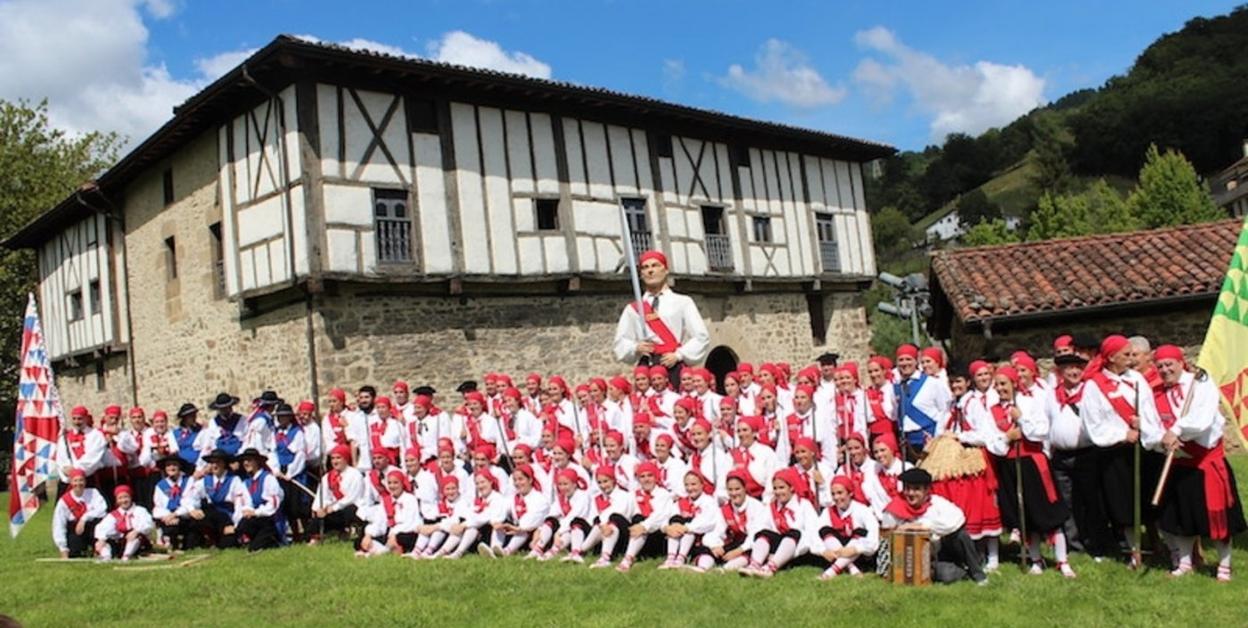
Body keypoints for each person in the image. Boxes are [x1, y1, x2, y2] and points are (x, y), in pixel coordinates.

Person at [1151, 345, 1246, 581]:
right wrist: (1162, 440)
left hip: (1206, 463)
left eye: (1169, 364)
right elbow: (1152, 425)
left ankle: (1224, 565)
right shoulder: (1156, 393)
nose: (1165, 370)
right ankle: (1185, 563)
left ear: (1181, 362)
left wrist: (1177, 431)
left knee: (1218, 519)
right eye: (1160, 366)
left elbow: (1201, 420)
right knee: (1182, 517)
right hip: (1179, 463)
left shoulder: (1201, 385)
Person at [1080, 334, 1164, 568]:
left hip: (1142, 447)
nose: (1131, 359)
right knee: (1124, 503)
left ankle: (1157, 543)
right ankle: (1134, 550)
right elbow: (1093, 424)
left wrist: (1143, 426)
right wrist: (1122, 434)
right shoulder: (1094, 386)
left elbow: (1149, 411)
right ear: (1111, 357)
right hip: (1114, 453)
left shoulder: (1136, 379)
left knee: (1148, 497)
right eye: (1126, 354)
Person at [983, 367, 1075, 577]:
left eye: (1004, 384)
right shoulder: (993, 411)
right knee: (1025, 514)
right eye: (997, 385)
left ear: (1014, 383)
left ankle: (1062, 560)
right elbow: (992, 442)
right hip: (1010, 465)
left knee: (1049, 512)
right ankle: (1035, 559)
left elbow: (1041, 431)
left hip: (1033, 463)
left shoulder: (1030, 403)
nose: (1000, 388)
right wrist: (1007, 437)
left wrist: (1022, 420)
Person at [613, 250, 710, 386]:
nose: (650, 271)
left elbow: (701, 336)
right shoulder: (633, 309)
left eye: (655, 265)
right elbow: (620, 342)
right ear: (641, 274)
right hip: (647, 365)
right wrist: (635, 347)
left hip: (672, 363)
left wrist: (679, 355)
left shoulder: (683, 302)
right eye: (645, 267)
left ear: (665, 270)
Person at [879, 468, 987, 585]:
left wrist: (921, 526)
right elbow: (886, 537)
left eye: (916, 489)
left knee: (961, 535)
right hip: (923, 559)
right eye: (907, 488)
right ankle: (965, 570)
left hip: (945, 547)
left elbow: (957, 519)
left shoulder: (937, 503)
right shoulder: (894, 508)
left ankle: (978, 574)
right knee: (946, 575)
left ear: (927, 490)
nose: (910, 493)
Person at [1047, 353, 1108, 557]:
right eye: (1069, 368)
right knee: (1067, 502)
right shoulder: (1052, 395)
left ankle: (1096, 543)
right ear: (1060, 372)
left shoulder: (1090, 392)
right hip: (1060, 456)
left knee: (1091, 500)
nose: (1074, 372)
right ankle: (1073, 544)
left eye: (1078, 368)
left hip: (1086, 453)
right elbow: (1047, 422)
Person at [741, 468, 818, 578]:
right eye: (775, 488)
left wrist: (793, 553)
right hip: (777, 548)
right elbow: (758, 526)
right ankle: (755, 564)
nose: (778, 492)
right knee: (764, 533)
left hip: (799, 549)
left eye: (782, 488)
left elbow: (812, 532)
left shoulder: (804, 505)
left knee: (794, 533)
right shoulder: (771, 507)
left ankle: (771, 567)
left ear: (791, 488)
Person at [696, 471, 767, 572]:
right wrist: (715, 546)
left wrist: (738, 551)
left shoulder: (757, 507)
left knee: (750, 551)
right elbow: (716, 532)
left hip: (750, 544)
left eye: (737, 489)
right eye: (730, 490)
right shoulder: (725, 509)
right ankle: (702, 568)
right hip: (734, 543)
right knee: (707, 547)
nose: (734, 493)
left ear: (745, 488)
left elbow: (755, 535)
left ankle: (724, 569)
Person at [815, 476, 880, 580]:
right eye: (833, 494)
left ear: (850, 493)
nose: (836, 497)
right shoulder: (827, 512)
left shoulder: (863, 510)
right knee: (825, 530)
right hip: (835, 554)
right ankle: (852, 568)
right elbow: (814, 536)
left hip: (859, 556)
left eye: (840, 493)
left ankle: (830, 572)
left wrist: (854, 549)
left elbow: (873, 541)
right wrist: (823, 551)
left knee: (860, 532)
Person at [613, 461, 673, 572]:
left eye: (650, 475)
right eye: (642, 476)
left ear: (655, 477)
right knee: (616, 517)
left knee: (639, 518)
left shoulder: (663, 494)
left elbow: (661, 516)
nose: (646, 479)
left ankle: (628, 559)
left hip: (655, 536)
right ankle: (605, 555)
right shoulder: (633, 494)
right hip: (636, 534)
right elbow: (623, 511)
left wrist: (644, 526)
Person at [894, 345, 951, 460]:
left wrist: (938, 436)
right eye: (901, 360)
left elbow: (945, 410)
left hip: (929, 441)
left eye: (908, 359)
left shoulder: (933, 383)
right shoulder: (896, 386)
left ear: (916, 361)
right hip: (906, 442)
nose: (905, 363)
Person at [659, 469, 718, 570]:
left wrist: (686, 528)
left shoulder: (709, 502)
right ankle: (671, 558)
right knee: (676, 520)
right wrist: (667, 528)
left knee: (689, 525)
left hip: (701, 541)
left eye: (693, 484)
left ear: (702, 485)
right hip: (680, 540)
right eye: (687, 485)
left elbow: (709, 523)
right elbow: (667, 517)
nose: (690, 488)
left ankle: (681, 558)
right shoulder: (680, 502)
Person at [487, 464, 550, 557]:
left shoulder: (539, 499)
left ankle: (507, 551)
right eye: (515, 480)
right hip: (517, 530)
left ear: (530, 480)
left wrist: (517, 528)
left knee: (524, 530)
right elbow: (501, 508)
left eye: (521, 479)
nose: (517, 483)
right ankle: (494, 548)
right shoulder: (513, 498)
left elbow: (532, 521)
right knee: (500, 523)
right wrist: (496, 522)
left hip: (533, 534)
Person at [531, 467, 592, 561]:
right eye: (560, 484)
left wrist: (558, 533)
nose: (562, 488)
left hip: (583, 531)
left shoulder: (583, 496)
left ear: (574, 484)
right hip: (567, 529)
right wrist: (539, 530)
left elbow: (574, 516)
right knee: (551, 520)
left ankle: (570, 552)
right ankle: (538, 548)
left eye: (565, 484)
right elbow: (551, 514)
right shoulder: (561, 498)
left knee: (574, 524)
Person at [356, 469, 421, 557]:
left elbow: (411, 522)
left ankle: (379, 551)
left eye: (395, 483)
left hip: (405, 531)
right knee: (360, 540)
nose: (392, 486)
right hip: (390, 532)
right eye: (389, 483)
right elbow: (380, 522)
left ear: (402, 483)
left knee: (401, 538)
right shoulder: (386, 500)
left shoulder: (410, 499)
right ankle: (385, 550)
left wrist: (394, 533)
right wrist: (368, 535)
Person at [269, 403, 309, 541]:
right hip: (280, 471)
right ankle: (295, 533)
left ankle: (307, 532)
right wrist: (276, 469)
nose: (282, 419)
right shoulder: (275, 433)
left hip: (294, 472)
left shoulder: (297, 432)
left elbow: (300, 454)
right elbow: (273, 452)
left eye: (284, 416)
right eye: (279, 417)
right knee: (285, 504)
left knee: (298, 504)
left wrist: (291, 472)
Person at [583, 464, 636, 568]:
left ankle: (605, 558)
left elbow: (621, 514)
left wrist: (603, 524)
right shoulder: (596, 498)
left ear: (613, 480)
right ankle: (580, 549)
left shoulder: (625, 495)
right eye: (599, 482)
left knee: (613, 519)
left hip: (621, 534)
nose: (603, 485)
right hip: (602, 531)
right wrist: (601, 524)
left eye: (606, 481)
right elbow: (592, 518)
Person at [151, 454, 205, 551]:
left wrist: (176, 514)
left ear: (180, 466)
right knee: (168, 526)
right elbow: (158, 506)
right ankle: (167, 541)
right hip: (168, 518)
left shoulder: (189, 481)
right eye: (168, 465)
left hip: (185, 516)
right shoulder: (160, 486)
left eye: (174, 465)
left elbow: (190, 502)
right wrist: (169, 516)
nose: (171, 468)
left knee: (190, 543)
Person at [234, 448, 283, 552]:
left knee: (254, 548)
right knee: (243, 524)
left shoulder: (268, 478)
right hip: (255, 520)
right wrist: (247, 511)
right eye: (244, 461)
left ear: (257, 461)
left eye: (249, 460)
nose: (246, 463)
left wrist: (256, 512)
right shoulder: (246, 483)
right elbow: (246, 502)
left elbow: (273, 504)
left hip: (270, 520)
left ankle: (273, 540)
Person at [55, 405, 111, 497]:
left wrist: (76, 470)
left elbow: (93, 457)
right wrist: (65, 469)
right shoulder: (64, 437)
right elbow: (61, 457)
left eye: (80, 419)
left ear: (86, 418)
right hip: (69, 480)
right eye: (74, 419)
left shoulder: (96, 435)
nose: (77, 422)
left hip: (89, 478)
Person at [52, 469, 107, 558]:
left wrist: (84, 519)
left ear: (85, 481)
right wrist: (63, 548)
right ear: (71, 482)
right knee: (75, 553)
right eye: (75, 480)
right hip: (74, 529)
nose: (78, 483)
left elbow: (102, 510)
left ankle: (97, 549)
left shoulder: (93, 493)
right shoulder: (64, 501)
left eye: (81, 480)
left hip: (93, 527)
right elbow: (59, 524)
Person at [94, 485, 154, 561]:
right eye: (120, 498)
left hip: (137, 542)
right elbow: (102, 528)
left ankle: (126, 556)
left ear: (131, 497)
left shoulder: (140, 511)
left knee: (135, 537)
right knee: (101, 542)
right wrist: (101, 539)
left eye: (126, 497)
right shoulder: (113, 515)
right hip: (119, 543)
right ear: (116, 500)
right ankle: (106, 557)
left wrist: (136, 531)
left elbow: (148, 524)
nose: (123, 500)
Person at [196, 449, 242, 548]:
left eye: (218, 462)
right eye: (212, 463)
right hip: (210, 518)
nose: (214, 465)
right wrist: (193, 509)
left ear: (224, 464)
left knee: (228, 544)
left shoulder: (234, 480)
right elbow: (192, 496)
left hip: (228, 518)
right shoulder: (205, 481)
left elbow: (239, 505)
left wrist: (236, 525)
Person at [197, 393, 246, 458]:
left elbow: (245, 440)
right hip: (220, 457)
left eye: (227, 407)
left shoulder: (241, 420)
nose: (225, 410)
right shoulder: (213, 422)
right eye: (222, 408)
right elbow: (212, 442)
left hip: (238, 455)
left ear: (231, 407)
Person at [173, 404, 202, 469]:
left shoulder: (200, 431)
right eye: (191, 416)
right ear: (185, 417)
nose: (194, 417)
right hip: (181, 466)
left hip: (197, 465)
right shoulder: (176, 433)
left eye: (194, 415)